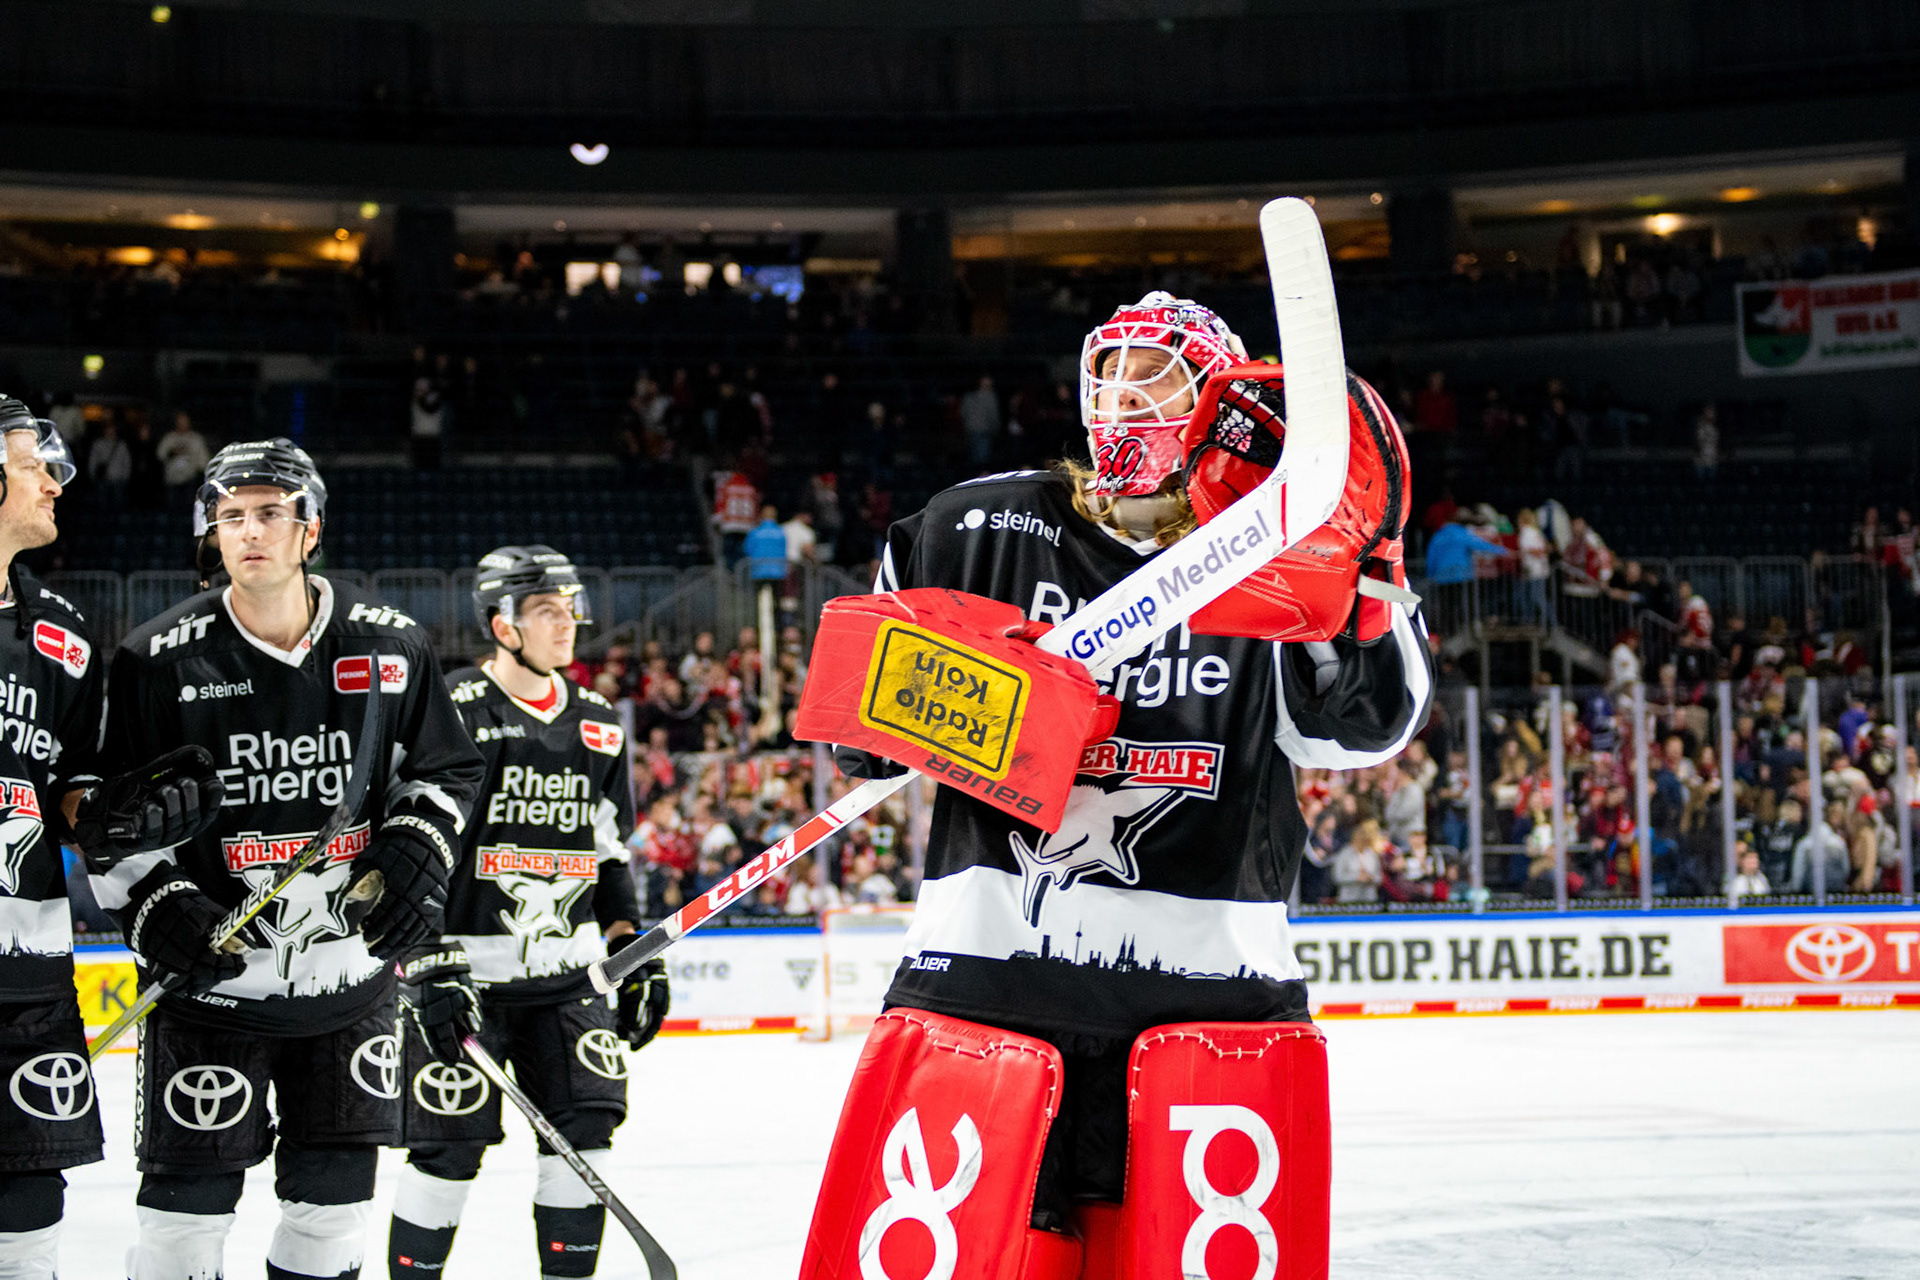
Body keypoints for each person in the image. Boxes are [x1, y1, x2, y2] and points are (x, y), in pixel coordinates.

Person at [801, 292, 1431, 1273]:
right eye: (1114, 371)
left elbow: (1359, 732)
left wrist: (1365, 579)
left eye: (1158, 375)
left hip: (1206, 998)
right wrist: (933, 707)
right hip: (989, 980)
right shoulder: (972, 528)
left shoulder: (1281, 560)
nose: (1126, 399)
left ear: (1219, 404)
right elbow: (865, 727)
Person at [91, 438, 485, 1280]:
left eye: (270, 513)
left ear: (311, 529)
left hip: (351, 992)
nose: (249, 531)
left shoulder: (391, 645)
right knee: (179, 1233)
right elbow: (110, 821)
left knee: (332, 1222)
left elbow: (445, 768)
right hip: (212, 994)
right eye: (230, 517)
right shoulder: (156, 660)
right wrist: (157, 907)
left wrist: (417, 841)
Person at [388, 546, 666, 1278]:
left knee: (587, 1133)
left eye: (569, 607)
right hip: (463, 980)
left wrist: (632, 946)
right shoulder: (454, 710)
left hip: (568, 980)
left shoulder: (600, 723)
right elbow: (414, 841)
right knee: (447, 1148)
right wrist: (420, 954)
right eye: (546, 610)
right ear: (502, 625)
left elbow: (607, 847)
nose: (566, 623)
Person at [0, 400, 223, 1280]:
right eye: (36, 462)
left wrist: (115, 816)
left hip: (28, 968)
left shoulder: (61, 632)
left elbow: (71, 784)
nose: (61, 478)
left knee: (29, 1203)